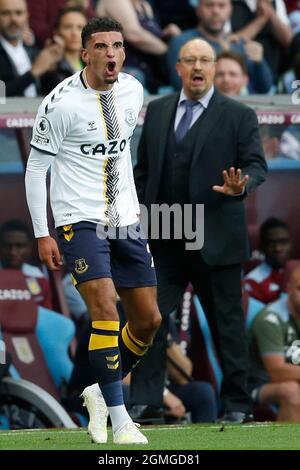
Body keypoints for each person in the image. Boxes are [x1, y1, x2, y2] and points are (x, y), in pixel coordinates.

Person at [25, 17, 161, 445]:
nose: (110, 54)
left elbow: (117, 155)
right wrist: (43, 232)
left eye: (117, 46)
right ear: (85, 53)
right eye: (100, 46)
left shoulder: (133, 90)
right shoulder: (60, 103)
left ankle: (102, 392)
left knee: (148, 320)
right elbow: (36, 169)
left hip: (126, 219)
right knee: (105, 310)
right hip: (78, 220)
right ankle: (121, 422)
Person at [133, 37, 267, 423]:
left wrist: (241, 187)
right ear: (178, 68)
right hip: (165, 236)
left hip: (216, 239)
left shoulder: (239, 114)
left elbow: (256, 165)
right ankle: (145, 400)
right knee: (150, 319)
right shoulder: (157, 111)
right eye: (190, 59)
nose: (197, 67)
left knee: (228, 327)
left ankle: (238, 405)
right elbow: (144, 173)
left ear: (212, 68)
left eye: (205, 60)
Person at [167, 0, 273, 93]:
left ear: (230, 10)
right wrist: (224, 54)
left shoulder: (238, 43)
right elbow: (181, 85)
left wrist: (259, 63)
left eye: (221, 5)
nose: (215, 11)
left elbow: (265, 88)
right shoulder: (183, 43)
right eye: (209, 5)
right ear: (198, 10)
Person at [247, 266, 300, 422]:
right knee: (291, 391)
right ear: (289, 288)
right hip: (259, 385)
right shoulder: (270, 319)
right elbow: (276, 371)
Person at [0, 0, 64, 97]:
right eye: (6, 13)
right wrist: (33, 72)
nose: (13, 19)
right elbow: (2, 94)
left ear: (27, 16)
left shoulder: (33, 52)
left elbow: (49, 94)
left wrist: (50, 69)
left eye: (18, 13)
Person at [0, 219, 53, 309]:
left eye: (19, 246)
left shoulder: (37, 276)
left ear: (29, 247)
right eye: (7, 246)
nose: (13, 252)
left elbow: (46, 313)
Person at [41, 6, 87, 95]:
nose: (74, 33)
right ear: (56, 32)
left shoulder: (91, 64)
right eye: (68, 27)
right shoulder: (49, 67)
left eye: (80, 27)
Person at [244, 218, 292, 304]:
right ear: (261, 247)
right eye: (271, 243)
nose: (278, 248)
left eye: (283, 242)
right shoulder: (253, 282)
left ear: (291, 244)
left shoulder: (296, 272)